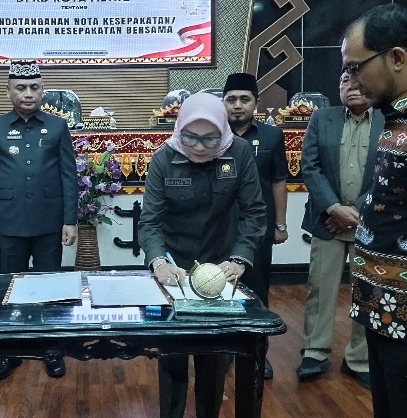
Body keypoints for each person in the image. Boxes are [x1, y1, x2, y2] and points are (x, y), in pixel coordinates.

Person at [138, 92, 266, 418]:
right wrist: (158, 261)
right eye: (190, 137)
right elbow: (150, 221)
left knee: (213, 355)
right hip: (173, 265)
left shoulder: (238, 152)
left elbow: (253, 212)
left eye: (209, 139)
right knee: (173, 353)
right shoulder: (164, 158)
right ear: (179, 130)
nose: (198, 147)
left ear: (223, 131)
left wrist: (239, 258)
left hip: (219, 264)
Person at [341, 3, 407, 417]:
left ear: (397, 57)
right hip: (382, 308)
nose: (352, 80)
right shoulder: (396, 116)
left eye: (356, 68)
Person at [0, 60, 78, 381]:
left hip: (49, 223)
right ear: (8, 91)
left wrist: (70, 220)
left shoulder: (57, 126)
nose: (28, 93)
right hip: (9, 224)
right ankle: (9, 352)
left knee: (50, 287)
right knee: (10, 288)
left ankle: (51, 349)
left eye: (34, 87)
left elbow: (68, 175)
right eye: (20, 88)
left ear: (42, 90)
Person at [296, 71, 384, 389]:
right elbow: (310, 167)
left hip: (369, 224)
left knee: (366, 293)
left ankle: (359, 359)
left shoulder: (387, 120)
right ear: (338, 87)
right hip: (327, 222)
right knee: (320, 289)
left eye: (359, 82)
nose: (352, 87)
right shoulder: (322, 118)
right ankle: (314, 352)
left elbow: (388, 170)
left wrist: (354, 212)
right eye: (346, 81)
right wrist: (334, 208)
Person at [223, 72, 289, 379]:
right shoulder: (213, 134)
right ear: (223, 103)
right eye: (231, 99)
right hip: (221, 227)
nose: (238, 105)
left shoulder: (272, 136)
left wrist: (280, 224)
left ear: (256, 103)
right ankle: (224, 350)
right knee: (221, 287)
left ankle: (258, 354)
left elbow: (278, 181)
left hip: (258, 228)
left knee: (258, 289)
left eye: (244, 99)